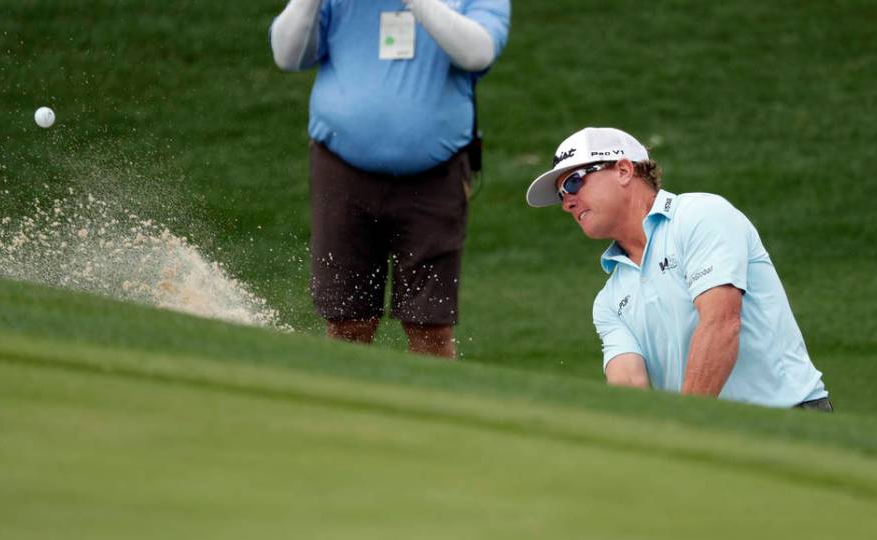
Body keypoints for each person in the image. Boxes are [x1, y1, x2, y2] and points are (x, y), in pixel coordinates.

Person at [525, 127, 832, 410]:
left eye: (575, 182)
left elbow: (722, 323)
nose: (568, 202)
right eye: (562, 194)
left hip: (788, 418)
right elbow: (628, 383)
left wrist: (684, 425)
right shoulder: (608, 300)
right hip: (710, 436)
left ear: (623, 170)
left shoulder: (700, 215)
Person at [269, 0, 511, 358]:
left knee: (430, 327)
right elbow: (288, 55)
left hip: (435, 175)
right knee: (348, 322)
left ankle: (434, 413)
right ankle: (343, 411)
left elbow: (477, 53)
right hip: (342, 168)